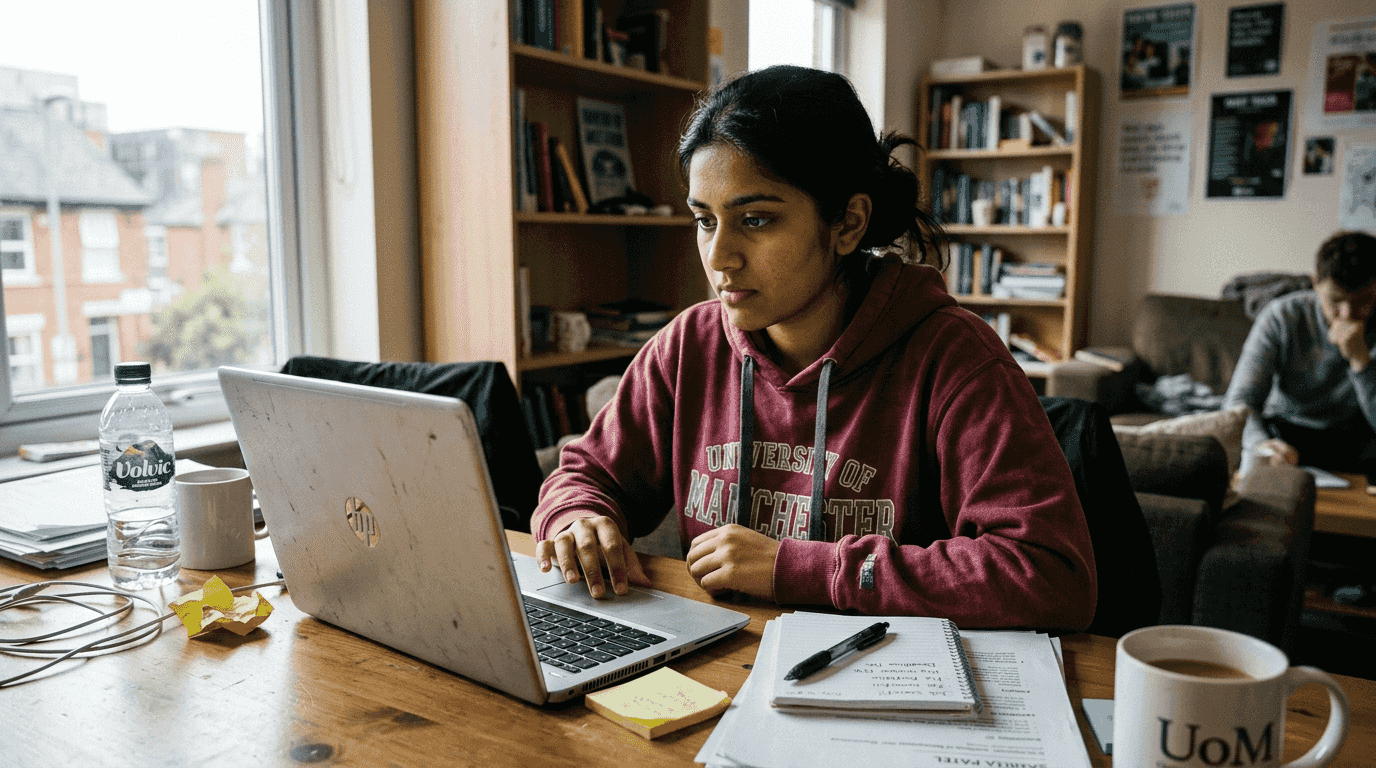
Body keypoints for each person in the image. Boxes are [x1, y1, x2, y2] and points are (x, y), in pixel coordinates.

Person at [531, 65, 1096, 631]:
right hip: (718, 661)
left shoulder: (954, 359)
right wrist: (578, 517)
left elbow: (1050, 573)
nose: (720, 257)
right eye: (704, 220)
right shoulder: (688, 346)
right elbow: (585, 474)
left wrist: (799, 568)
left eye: (756, 220)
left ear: (847, 223)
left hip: (884, 672)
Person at [1223, 231, 1376, 485]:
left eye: (1363, 301)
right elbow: (1240, 401)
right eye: (1335, 300)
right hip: (1287, 433)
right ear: (1316, 283)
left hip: (1357, 440)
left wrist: (1362, 363)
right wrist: (1262, 444)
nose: (1347, 314)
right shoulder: (1282, 316)